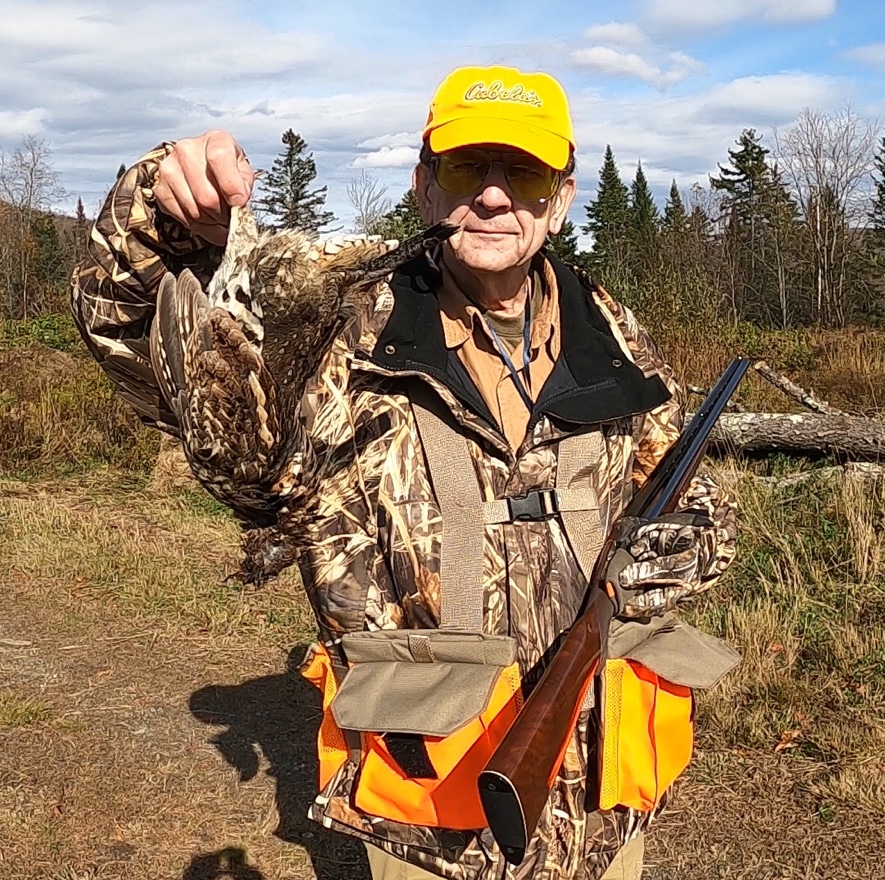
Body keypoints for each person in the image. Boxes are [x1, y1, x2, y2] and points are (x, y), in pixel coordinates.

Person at [71, 65, 738, 880]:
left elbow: (683, 488)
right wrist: (162, 216)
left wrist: (692, 546)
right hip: (435, 809)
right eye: (464, 170)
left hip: (605, 799)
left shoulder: (612, 331)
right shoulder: (332, 336)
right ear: (424, 188)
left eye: (523, 174)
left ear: (558, 200)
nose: (493, 197)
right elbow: (126, 327)